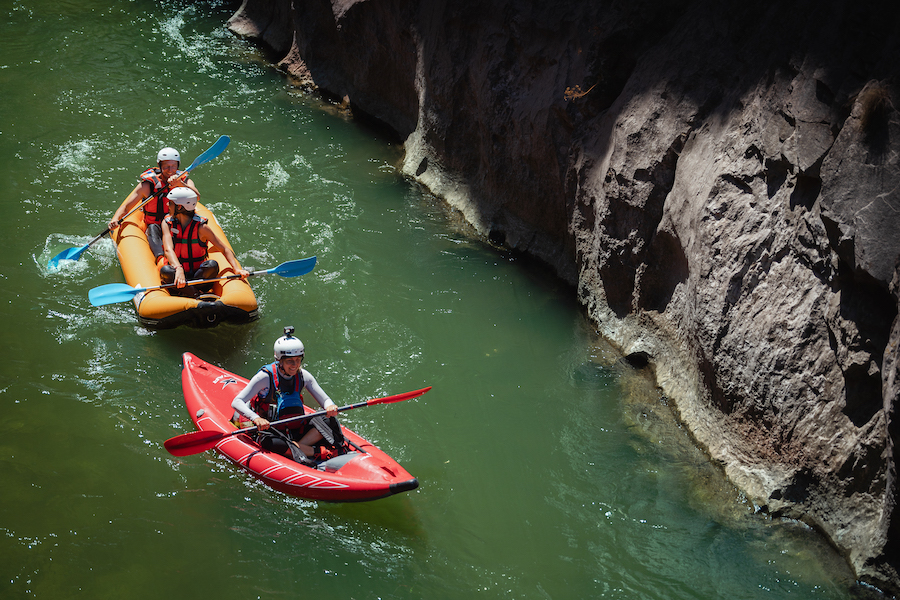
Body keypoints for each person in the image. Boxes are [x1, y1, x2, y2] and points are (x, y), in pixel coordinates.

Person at [231, 327, 344, 465]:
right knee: (269, 442)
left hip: (296, 429)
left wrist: (330, 406)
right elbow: (237, 402)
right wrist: (257, 418)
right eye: (290, 361)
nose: (295, 365)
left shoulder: (303, 375)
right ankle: (316, 452)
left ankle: (297, 448)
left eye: (298, 360)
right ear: (279, 360)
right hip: (271, 431)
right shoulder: (265, 377)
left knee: (328, 420)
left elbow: (325, 400)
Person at [108, 147, 200, 261]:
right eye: (166, 166)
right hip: (155, 226)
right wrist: (116, 219)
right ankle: (160, 259)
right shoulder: (148, 185)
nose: (170, 170)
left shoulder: (185, 181)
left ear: (178, 165)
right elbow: (126, 207)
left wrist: (180, 184)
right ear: (159, 165)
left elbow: (197, 197)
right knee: (153, 228)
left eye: (173, 166)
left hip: (176, 224)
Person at [159, 187, 249, 297]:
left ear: (179, 207)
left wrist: (237, 269)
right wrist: (179, 269)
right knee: (166, 271)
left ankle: (188, 291)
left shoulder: (202, 228)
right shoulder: (167, 223)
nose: (167, 205)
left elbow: (224, 249)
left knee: (212, 265)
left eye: (170, 203)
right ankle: (196, 295)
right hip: (177, 275)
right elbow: (168, 250)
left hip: (198, 277)